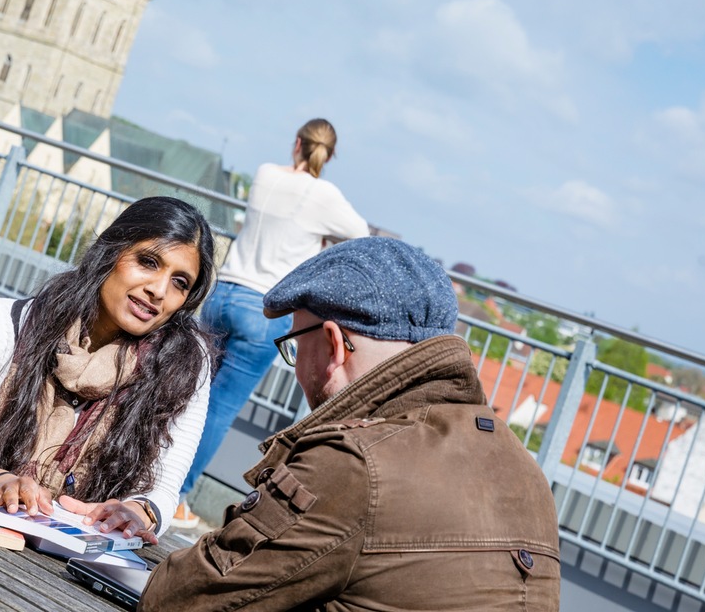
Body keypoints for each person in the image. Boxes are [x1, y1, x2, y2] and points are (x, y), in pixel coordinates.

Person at [141, 238, 561, 611]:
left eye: (294, 346)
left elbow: (178, 599)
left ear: (333, 344)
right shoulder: (527, 475)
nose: (296, 366)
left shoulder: (354, 462)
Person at [0, 196, 217, 543]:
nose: (159, 290)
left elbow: (162, 491)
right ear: (110, 251)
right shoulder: (0, 323)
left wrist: (134, 514)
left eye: (180, 282)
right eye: (148, 262)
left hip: (75, 566)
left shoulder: (184, 368)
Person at [174, 117, 368, 528]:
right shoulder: (325, 195)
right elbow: (361, 236)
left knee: (188, 392)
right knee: (218, 410)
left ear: (296, 143)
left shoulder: (264, 174)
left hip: (222, 294)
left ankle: (144, 476)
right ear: (329, 156)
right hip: (263, 311)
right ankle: (175, 495)